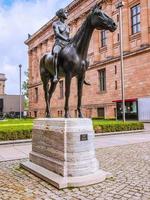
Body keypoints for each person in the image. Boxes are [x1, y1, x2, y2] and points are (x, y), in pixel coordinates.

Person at [52, 8, 70, 83]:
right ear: (61, 14)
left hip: (66, 44)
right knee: (56, 53)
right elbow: (57, 34)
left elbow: (68, 36)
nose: (67, 14)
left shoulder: (67, 26)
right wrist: (66, 39)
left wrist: (69, 39)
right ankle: (55, 75)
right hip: (59, 43)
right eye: (66, 12)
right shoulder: (55, 24)